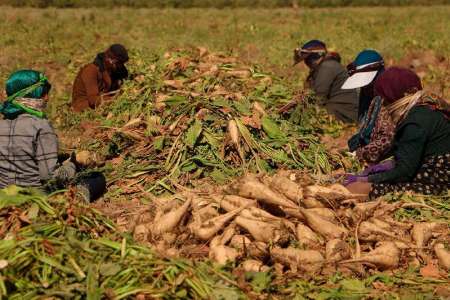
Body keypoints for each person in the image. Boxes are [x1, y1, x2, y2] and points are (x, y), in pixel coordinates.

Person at [0, 70, 106, 201]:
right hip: (36, 198)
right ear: (32, 95)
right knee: (96, 178)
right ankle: (76, 202)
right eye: (43, 94)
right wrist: (74, 164)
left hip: (6, 197)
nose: (47, 98)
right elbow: (49, 177)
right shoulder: (41, 126)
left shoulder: (2, 125)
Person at [345, 67, 450, 198]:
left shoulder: (416, 122)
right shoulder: (425, 108)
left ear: (395, 95)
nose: (383, 103)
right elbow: (409, 155)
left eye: (385, 98)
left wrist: (366, 179)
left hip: (437, 181)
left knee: (357, 189)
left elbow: (404, 172)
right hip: (431, 172)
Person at [344, 50, 395, 164]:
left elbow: (388, 138)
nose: (365, 88)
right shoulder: (367, 94)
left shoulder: (389, 97)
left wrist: (360, 154)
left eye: (368, 84)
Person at [293, 40, 358, 123]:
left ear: (314, 57)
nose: (306, 63)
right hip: (338, 107)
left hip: (344, 111)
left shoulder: (327, 67)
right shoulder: (324, 66)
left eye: (308, 59)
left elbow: (319, 97)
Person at [72, 44, 129, 112]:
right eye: (118, 64)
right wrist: (114, 100)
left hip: (101, 104)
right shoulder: (91, 70)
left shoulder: (111, 70)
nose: (119, 67)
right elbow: (93, 100)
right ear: (109, 59)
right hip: (83, 107)